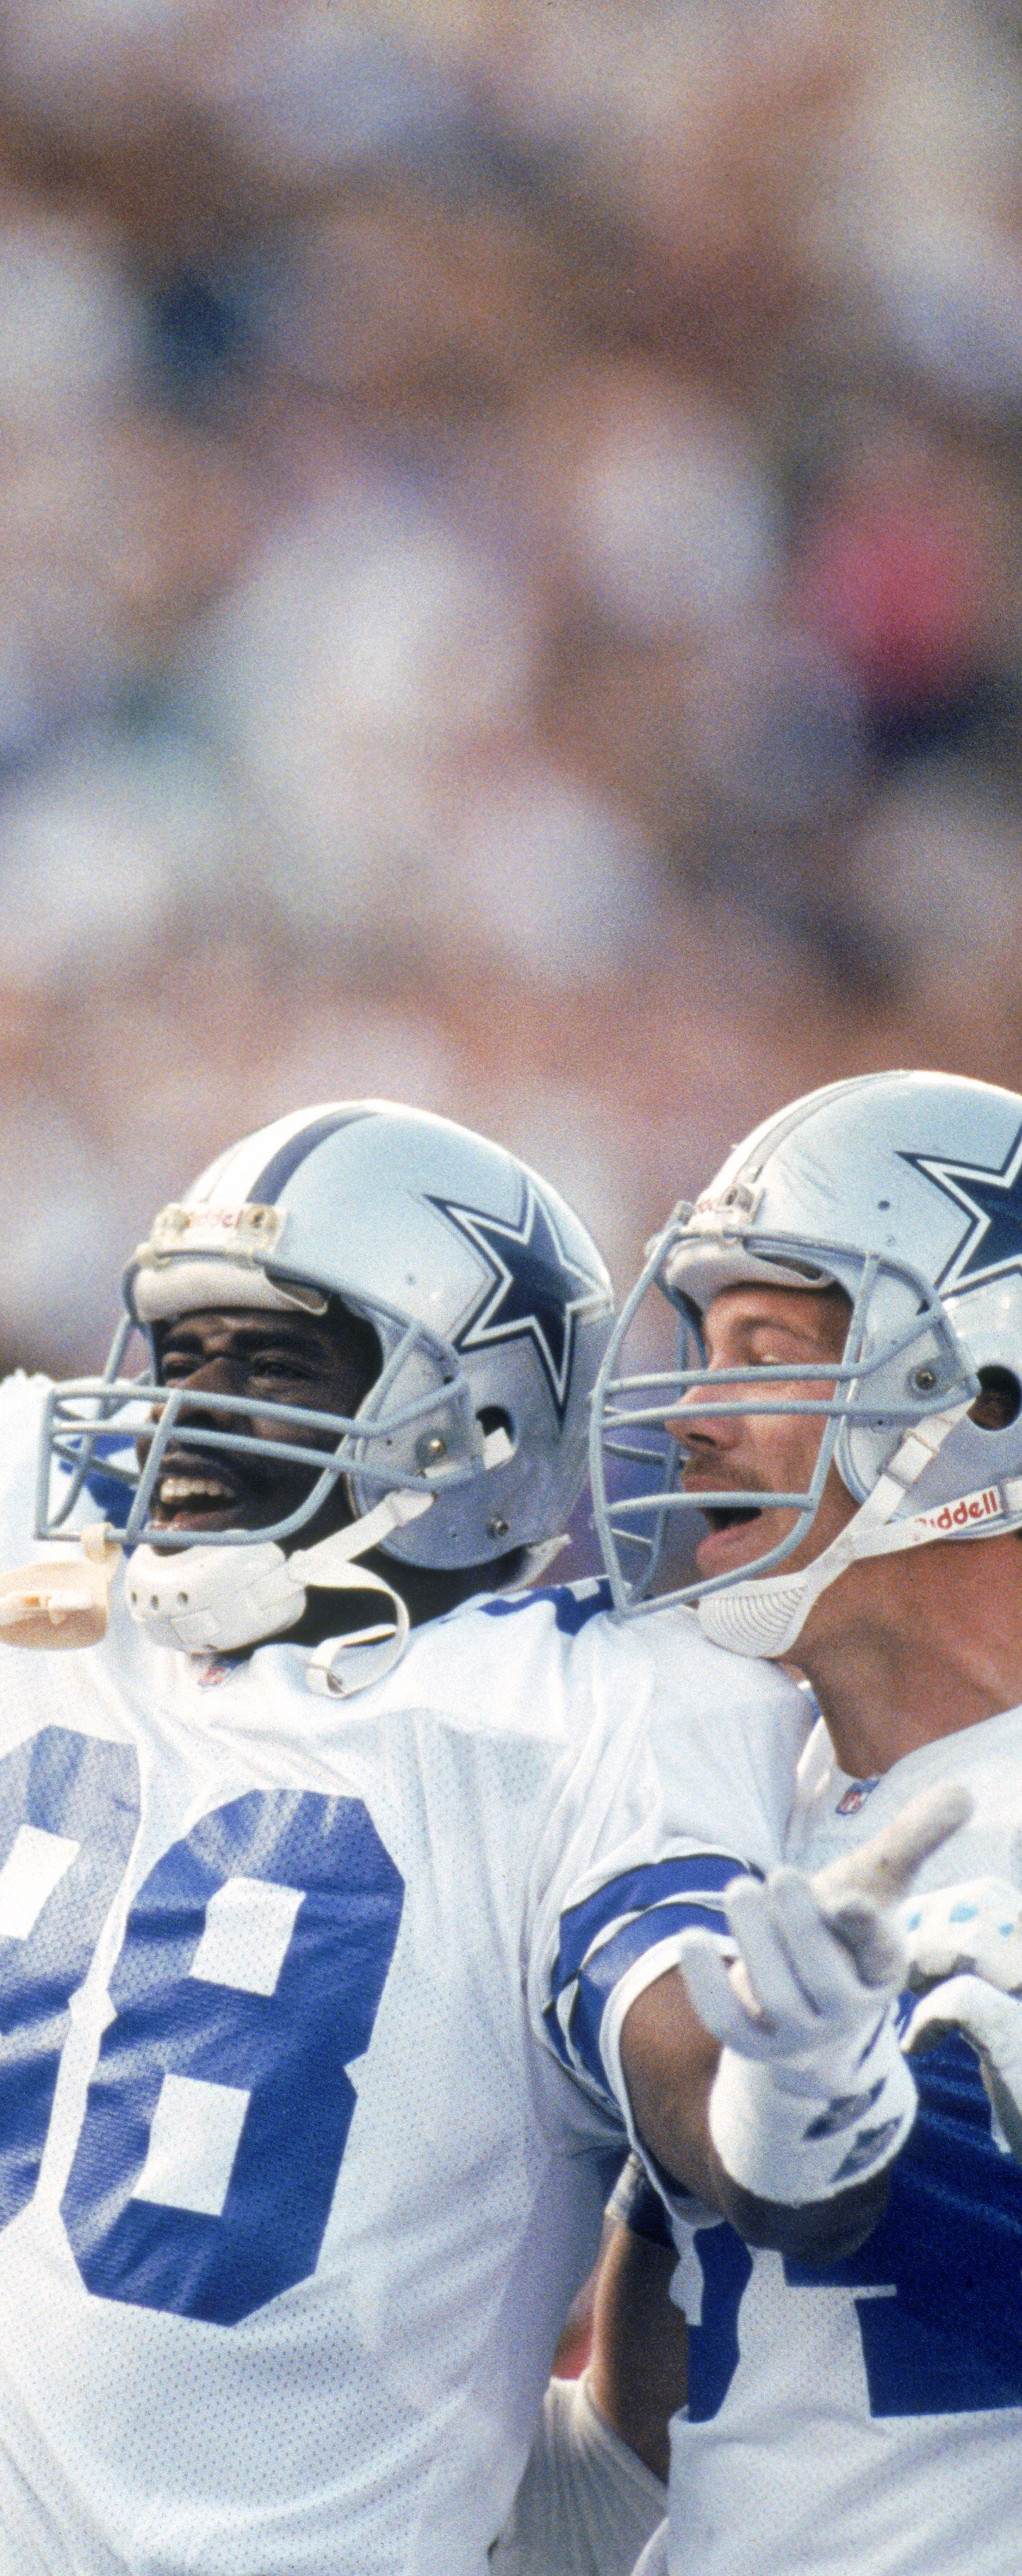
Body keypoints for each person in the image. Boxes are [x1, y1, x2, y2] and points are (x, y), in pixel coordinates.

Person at [0, 491, 942, 2576]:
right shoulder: (53, 1567)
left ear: (478, 1411)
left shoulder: (588, 1701)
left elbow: (688, 2058)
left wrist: (794, 2095)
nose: (186, 1412)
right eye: (183, 1344)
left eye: (277, 1360)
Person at [535, 1068, 1022, 2576]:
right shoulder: (752, 1803)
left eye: (768, 1350)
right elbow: (629, 2456)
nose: (692, 1420)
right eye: (705, 1345)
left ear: (985, 1400)